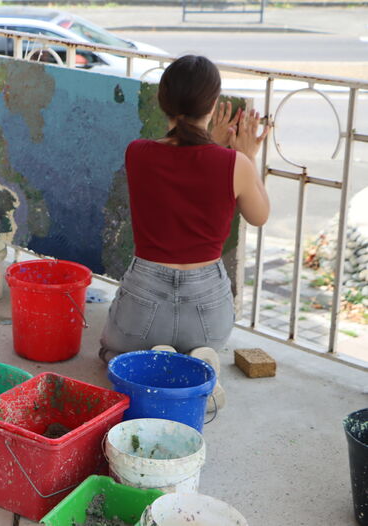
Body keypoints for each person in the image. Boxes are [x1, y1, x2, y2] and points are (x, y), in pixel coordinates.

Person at [99, 55, 271, 410]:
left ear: (164, 102)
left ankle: (156, 358)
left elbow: (182, 161)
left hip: (143, 303)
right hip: (208, 314)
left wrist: (213, 144)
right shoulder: (234, 164)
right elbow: (259, 216)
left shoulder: (138, 153)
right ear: (213, 104)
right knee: (202, 342)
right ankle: (198, 361)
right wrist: (245, 156)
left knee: (110, 353)